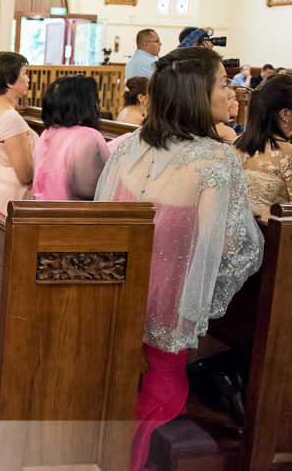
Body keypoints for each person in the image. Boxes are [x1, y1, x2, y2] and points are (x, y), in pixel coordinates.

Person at [94, 45, 263, 471]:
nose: (234, 94)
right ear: (195, 95)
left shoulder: (129, 147)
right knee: (162, 387)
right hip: (170, 301)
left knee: (123, 386)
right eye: (224, 84)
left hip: (120, 296)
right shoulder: (218, 159)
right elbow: (226, 246)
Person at [32, 75, 110, 201]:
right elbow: (89, 189)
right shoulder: (88, 136)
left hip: (42, 212)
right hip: (74, 216)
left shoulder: (47, 133)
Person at [0, 52, 37, 215]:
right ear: (10, 81)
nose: (28, 79)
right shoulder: (10, 117)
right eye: (24, 73)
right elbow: (25, 174)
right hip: (10, 195)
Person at [235, 75, 292, 218]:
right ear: (285, 114)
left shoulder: (237, 143)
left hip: (244, 232)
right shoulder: (288, 153)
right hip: (278, 237)